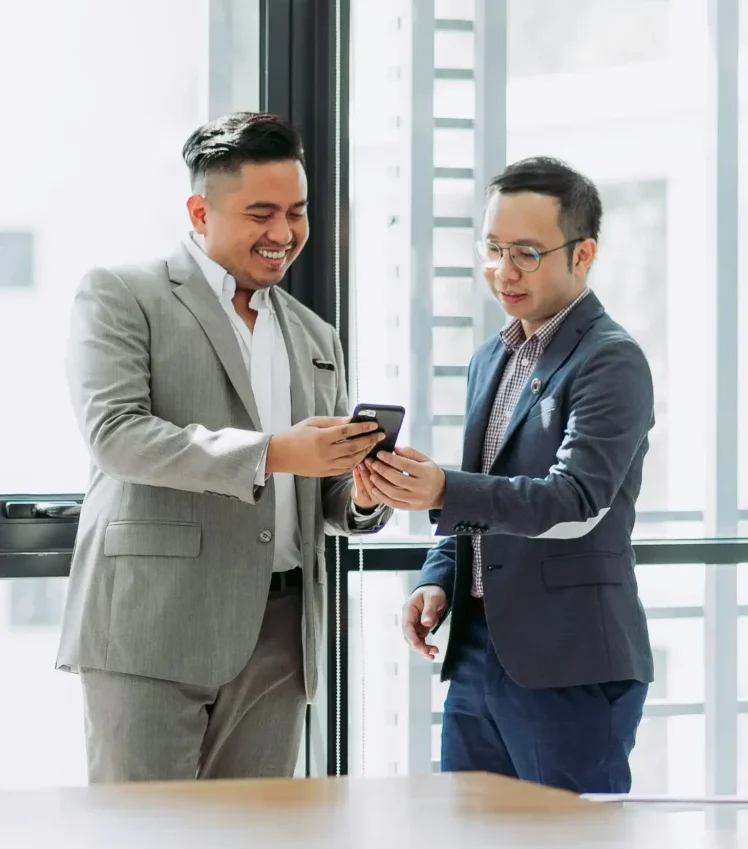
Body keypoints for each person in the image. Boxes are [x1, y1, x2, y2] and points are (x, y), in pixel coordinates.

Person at [57, 112, 390, 783]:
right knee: (146, 848)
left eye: (296, 212)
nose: (284, 233)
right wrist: (271, 452)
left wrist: (360, 491)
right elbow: (117, 435)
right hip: (153, 624)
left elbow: (317, 490)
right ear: (199, 211)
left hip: (283, 636)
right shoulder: (123, 295)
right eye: (261, 212)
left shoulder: (316, 335)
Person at [360, 157, 654, 795]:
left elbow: (575, 500)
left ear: (583, 255)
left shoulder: (611, 360)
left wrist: (441, 488)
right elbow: (484, 489)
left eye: (526, 252)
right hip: (475, 653)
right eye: (492, 249)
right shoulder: (492, 357)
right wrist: (439, 577)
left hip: (568, 663)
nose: (503, 271)